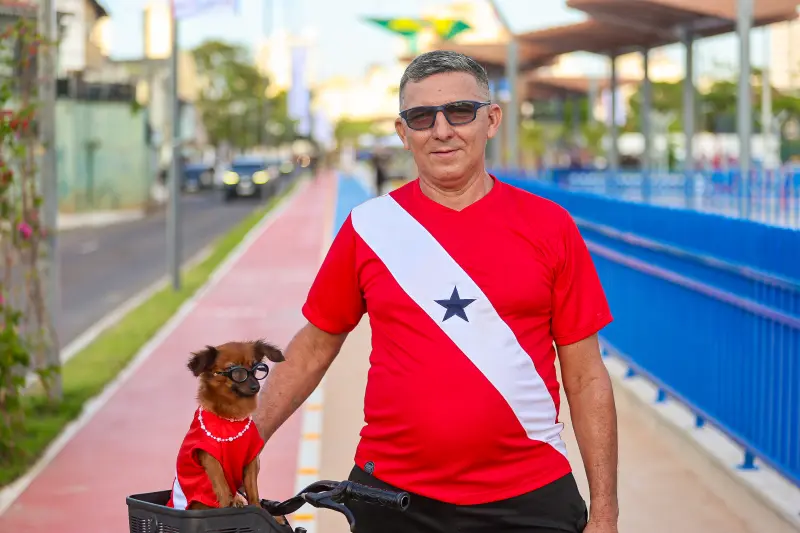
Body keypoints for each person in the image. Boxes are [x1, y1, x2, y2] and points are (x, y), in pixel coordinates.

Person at [254, 50, 619, 533]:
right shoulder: (368, 228)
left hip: (531, 498)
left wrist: (606, 511)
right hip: (392, 498)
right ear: (403, 132)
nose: (442, 130)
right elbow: (312, 348)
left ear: (491, 120)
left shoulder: (550, 226)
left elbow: (586, 377)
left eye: (460, 112)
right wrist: (244, 442)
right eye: (422, 117)